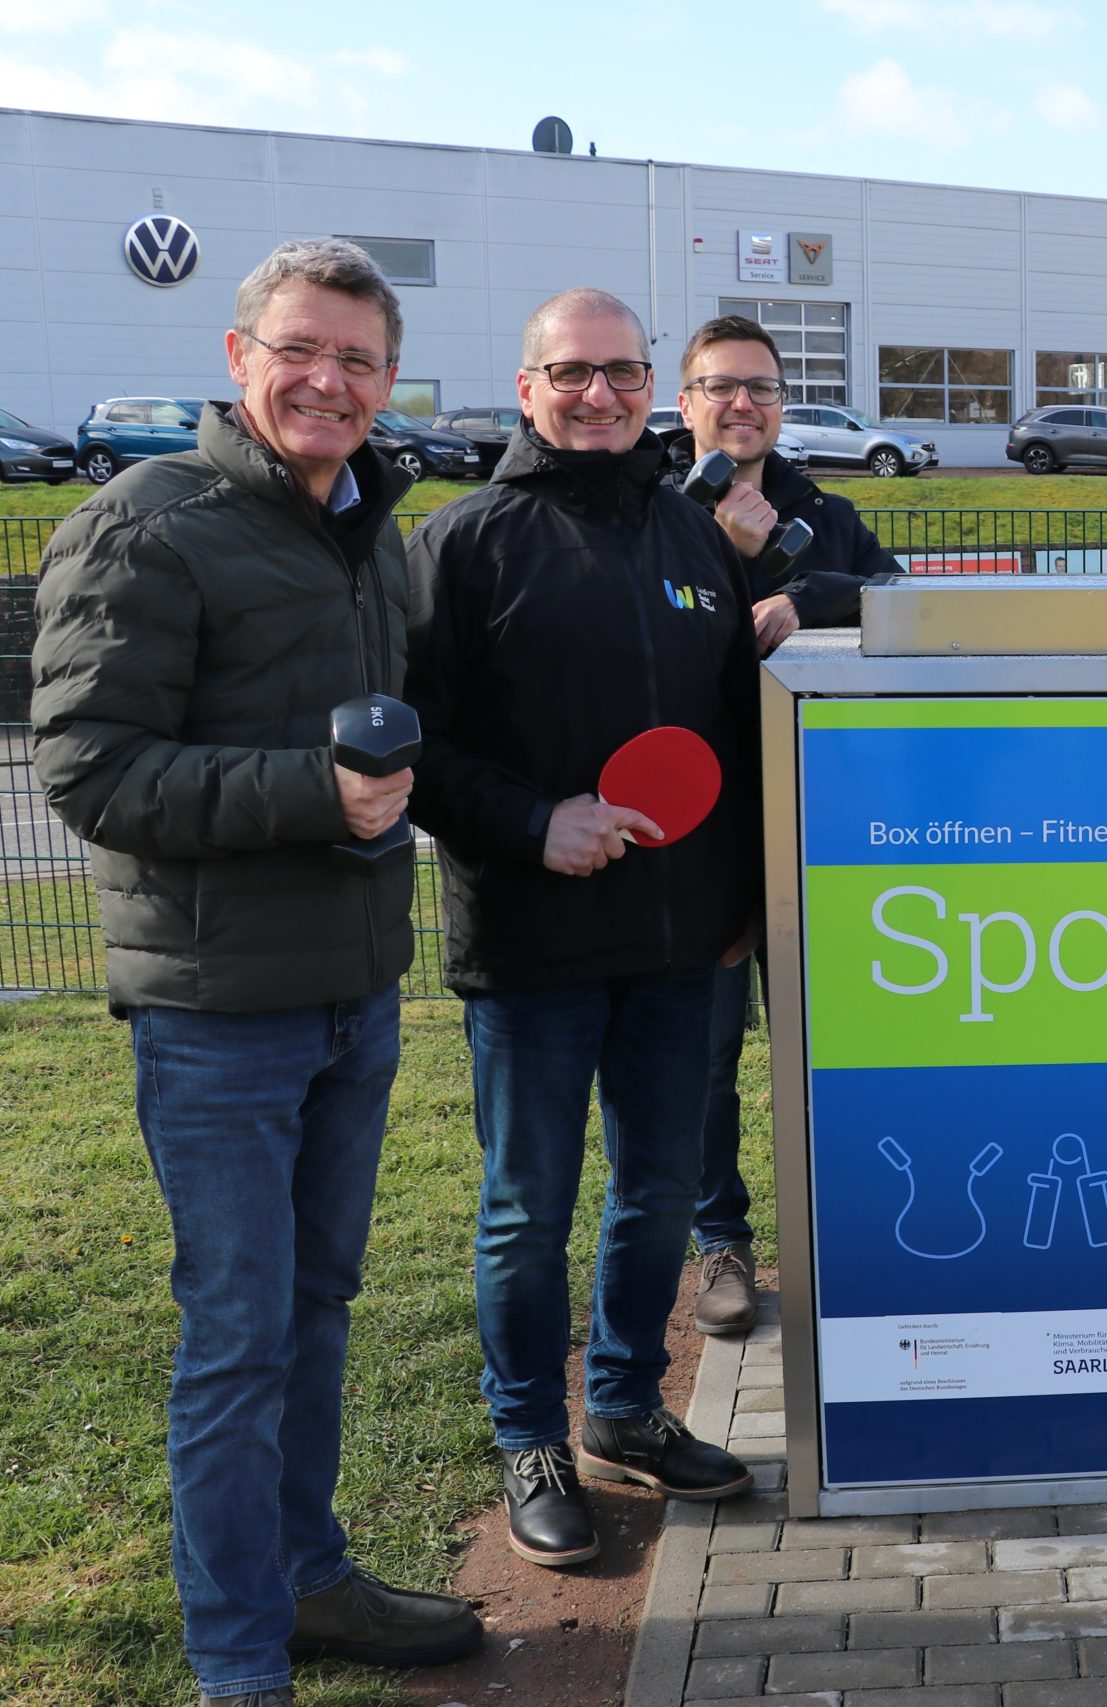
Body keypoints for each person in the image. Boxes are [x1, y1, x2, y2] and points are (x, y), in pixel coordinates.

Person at [31, 238, 479, 1707]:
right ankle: (239, 1663)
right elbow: (89, 769)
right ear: (239, 360)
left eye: (358, 359)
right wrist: (311, 794)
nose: (328, 381)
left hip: (354, 990)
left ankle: (309, 1579)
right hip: (217, 1012)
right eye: (301, 349)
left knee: (317, 1308)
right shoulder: (144, 525)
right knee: (238, 1339)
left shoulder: (369, 526)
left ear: (389, 380)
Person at [405, 287, 760, 1569]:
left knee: (658, 1192)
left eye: (622, 372)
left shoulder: (695, 536)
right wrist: (533, 819)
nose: (600, 395)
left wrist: (740, 908)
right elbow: (412, 746)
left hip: (678, 947)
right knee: (527, 1207)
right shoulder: (461, 543)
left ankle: (623, 1410)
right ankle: (530, 1440)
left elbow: (735, 737)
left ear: (651, 385)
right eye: (573, 373)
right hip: (531, 942)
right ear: (528, 387)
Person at [667, 314, 901, 1337]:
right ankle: (719, 1239)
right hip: (705, 841)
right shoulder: (655, 516)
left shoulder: (827, 515)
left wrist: (806, 594)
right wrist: (725, 558)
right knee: (705, 1060)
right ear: (685, 403)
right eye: (720, 386)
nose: (742, 404)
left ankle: (848, 1234)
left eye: (760, 387)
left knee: (838, 1046)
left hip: (821, 836)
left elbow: (897, 602)